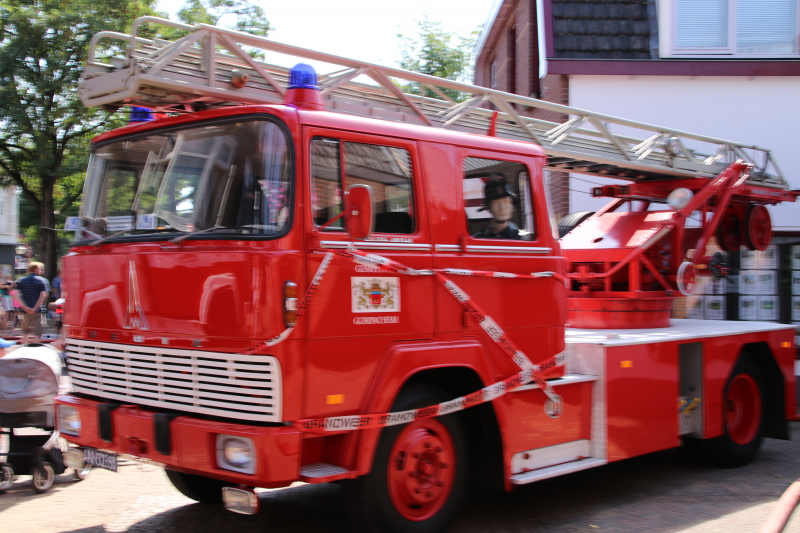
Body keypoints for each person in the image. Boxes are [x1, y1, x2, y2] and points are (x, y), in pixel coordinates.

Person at [471, 175, 521, 240]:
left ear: (512, 206)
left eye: (506, 202)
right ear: (488, 207)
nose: (502, 207)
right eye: (496, 203)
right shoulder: (478, 238)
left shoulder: (523, 239)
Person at [15, 262, 50, 344]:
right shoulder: (43, 281)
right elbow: (43, 295)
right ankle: (36, 345)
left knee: (24, 329)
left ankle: (23, 345)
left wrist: (23, 307)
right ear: (35, 269)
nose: (42, 270)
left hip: (24, 310)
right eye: (41, 268)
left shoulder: (21, 280)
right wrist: (35, 308)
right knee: (37, 330)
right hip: (37, 310)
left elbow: (15, 294)